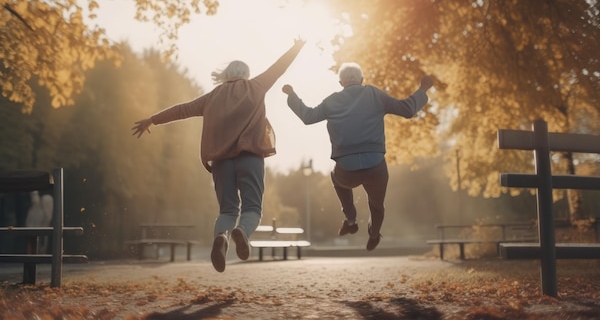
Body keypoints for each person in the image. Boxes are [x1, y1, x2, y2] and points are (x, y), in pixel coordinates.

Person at [132, 38, 306, 272]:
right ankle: (242, 232)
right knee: (252, 208)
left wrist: (152, 119)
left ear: (225, 75)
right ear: (245, 74)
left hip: (222, 162)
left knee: (227, 211)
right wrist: (297, 47)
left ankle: (222, 238)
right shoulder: (256, 86)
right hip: (250, 157)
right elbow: (279, 67)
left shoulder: (211, 97)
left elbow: (181, 109)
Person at [282, 62, 433, 251]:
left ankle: (351, 219)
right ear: (362, 80)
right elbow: (407, 109)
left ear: (340, 82)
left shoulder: (332, 101)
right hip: (376, 166)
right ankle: (375, 233)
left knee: (337, 179)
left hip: (346, 167)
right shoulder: (374, 94)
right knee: (377, 205)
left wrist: (292, 96)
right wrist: (423, 89)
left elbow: (308, 116)